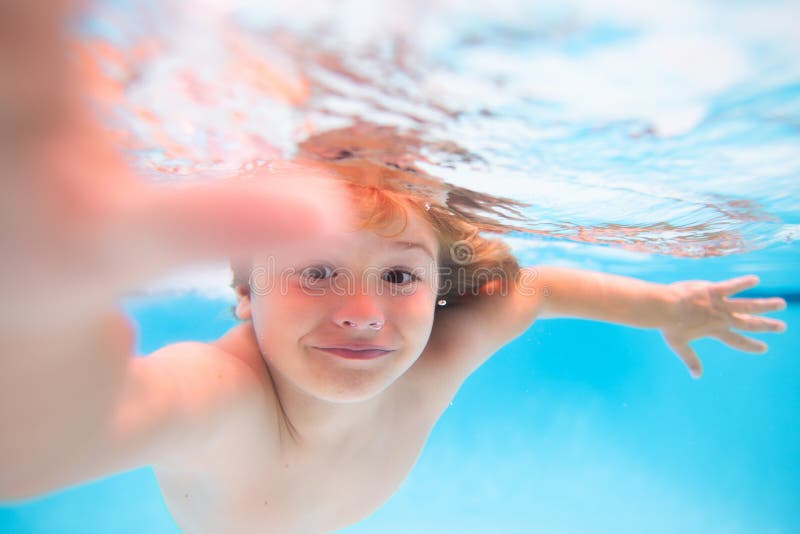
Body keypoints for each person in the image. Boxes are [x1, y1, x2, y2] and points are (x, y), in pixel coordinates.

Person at [0, 3, 788, 533]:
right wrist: (39, 326)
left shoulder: (434, 358)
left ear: (438, 286)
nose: (365, 313)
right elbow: (45, 447)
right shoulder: (229, 399)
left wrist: (666, 308)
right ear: (243, 291)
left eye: (401, 277)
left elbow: (541, 287)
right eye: (315, 271)